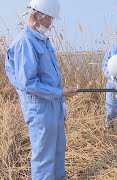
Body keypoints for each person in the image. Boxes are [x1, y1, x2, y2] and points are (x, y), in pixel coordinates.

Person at [4, 0, 77, 179]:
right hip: (39, 109)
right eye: (49, 20)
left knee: (58, 151)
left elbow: (49, 76)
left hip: (53, 105)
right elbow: (28, 83)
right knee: (44, 157)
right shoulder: (25, 42)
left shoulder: (43, 40)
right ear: (36, 16)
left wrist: (61, 96)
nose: (51, 24)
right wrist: (59, 93)